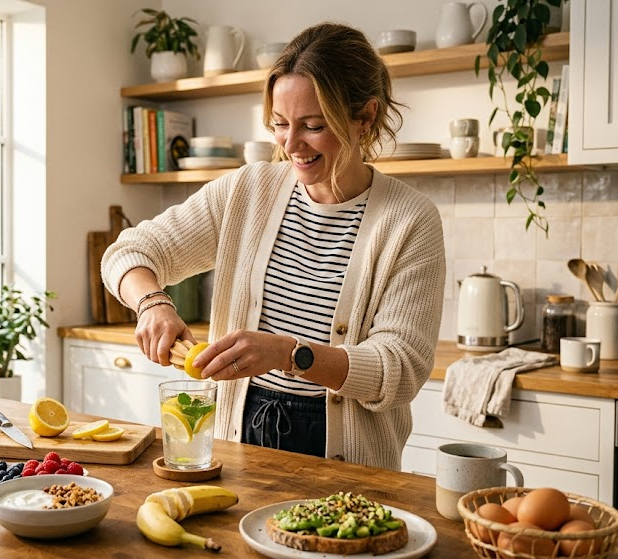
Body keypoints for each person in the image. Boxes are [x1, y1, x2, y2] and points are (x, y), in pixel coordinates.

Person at [101, 22, 445, 471]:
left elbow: (398, 371)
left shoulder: (409, 220)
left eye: (314, 125)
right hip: (236, 442)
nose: (290, 144)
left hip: (349, 462)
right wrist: (151, 303)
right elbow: (130, 251)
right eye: (280, 124)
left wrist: (288, 354)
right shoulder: (249, 190)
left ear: (365, 117)